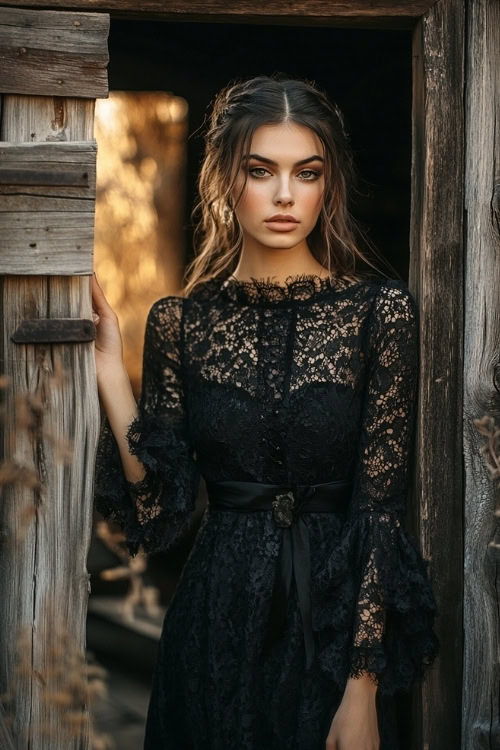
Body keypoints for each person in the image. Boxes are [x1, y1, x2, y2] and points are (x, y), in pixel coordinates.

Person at [92, 73, 440, 750]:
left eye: (306, 173)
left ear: (327, 185)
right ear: (226, 179)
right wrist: (110, 367)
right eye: (262, 171)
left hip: (329, 630)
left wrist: (361, 687)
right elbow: (162, 509)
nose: (285, 195)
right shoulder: (180, 324)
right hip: (211, 622)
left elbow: (379, 513)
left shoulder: (379, 314)